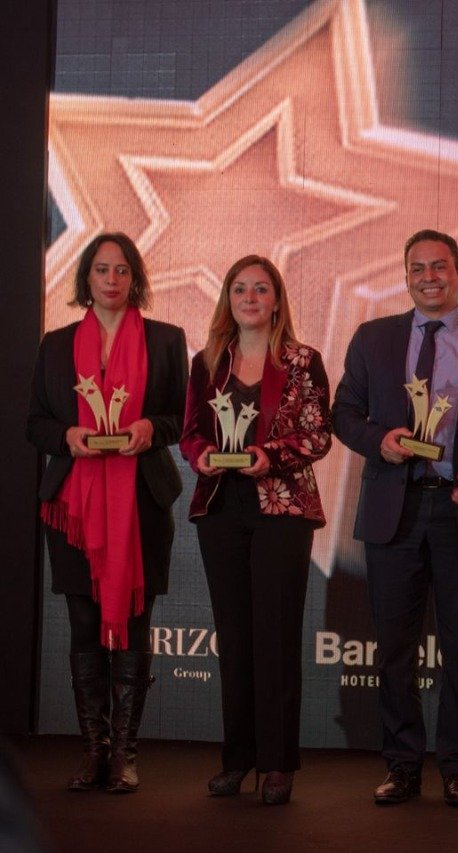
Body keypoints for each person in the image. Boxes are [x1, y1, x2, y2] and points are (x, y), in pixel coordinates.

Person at [332, 229, 458, 808]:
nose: (429, 277)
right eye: (418, 268)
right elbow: (344, 413)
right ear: (406, 276)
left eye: (440, 267)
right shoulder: (374, 339)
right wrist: (378, 441)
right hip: (395, 509)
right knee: (394, 649)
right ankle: (403, 765)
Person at [26, 232, 188, 794]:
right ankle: (93, 750)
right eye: (101, 270)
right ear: (86, 278)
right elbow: (35, 423)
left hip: (142, 502)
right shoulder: (55, 345)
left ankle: (125, 753)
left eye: (122, 270)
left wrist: (150, 428)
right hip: (72, 506)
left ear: (134, 277)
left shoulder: (166, 340)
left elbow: (180, 419)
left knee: (136, 624)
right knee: (83, 625)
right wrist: (67, 436)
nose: (112, 280)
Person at [179, 255, 332, 805]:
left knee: (275, 636)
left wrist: (271, 455)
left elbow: (318, 435)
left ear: (276, 300)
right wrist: (200, 456)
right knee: (235, 637)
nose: (249, 297)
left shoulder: (302, 361)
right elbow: (191, 432)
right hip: (221, 506)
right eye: (240, 288)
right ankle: (237, 760)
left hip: (281, 508)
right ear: (228, 298)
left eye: (261, 289)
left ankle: (278, 764)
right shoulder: (207, 362)